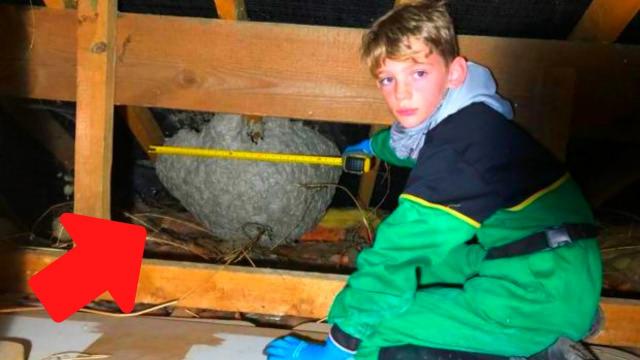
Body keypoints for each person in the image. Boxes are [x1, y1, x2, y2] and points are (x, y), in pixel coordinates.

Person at [264, 1, 602, 359]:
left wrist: (337, 346)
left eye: (418, 73)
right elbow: (412, 143)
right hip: (558, 269)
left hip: (536, 295)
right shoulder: (474, 117)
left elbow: (399, 253)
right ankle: (551, 325)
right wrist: (375, 147)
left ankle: (541, 348)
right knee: (426, 272)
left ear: (454, 72)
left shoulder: (460, 150)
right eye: (388, 79)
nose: (402, 93)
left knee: (372, 329)